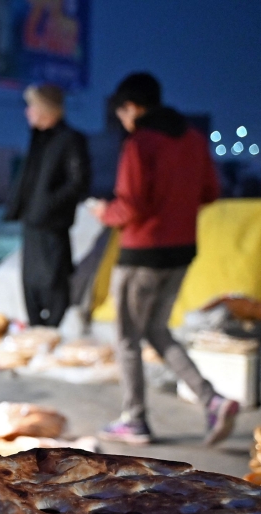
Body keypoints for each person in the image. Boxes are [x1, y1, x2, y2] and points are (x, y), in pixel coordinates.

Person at [89, 72, 237, 446]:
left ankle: (134, 419)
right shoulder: (192, 139)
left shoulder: (140, 143)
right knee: (155, 330)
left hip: (142, 255)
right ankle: (212, 400)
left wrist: (104, 212)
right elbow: (210, 193)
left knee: (126, 338)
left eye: (122, 112)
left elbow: (132, 205)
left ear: (133, 107)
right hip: (181, 251)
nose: (123, 120)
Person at [4, 83, 91, 328]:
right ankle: (36, 334)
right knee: (31, 283)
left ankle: (52, 334)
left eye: (32, 106)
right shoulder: (39, 140)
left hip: (52, 226)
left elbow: (78, 183)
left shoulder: (70, 139)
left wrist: (46, 207)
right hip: (32, 224)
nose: (27, 112)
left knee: (53, 281)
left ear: (46, 109)